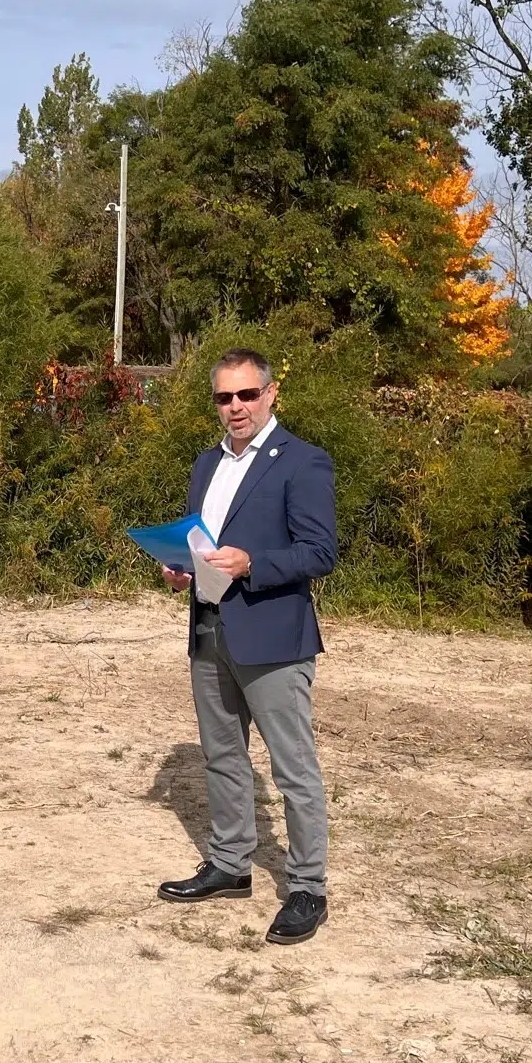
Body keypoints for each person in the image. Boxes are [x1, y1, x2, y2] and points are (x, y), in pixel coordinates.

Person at [157, 347, 338, 945]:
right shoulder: (205, 464)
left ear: (271, 393)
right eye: (224, 397)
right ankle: (231, 865)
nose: (235, 407)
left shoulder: (303, 462)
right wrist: (184, 569)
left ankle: (307, 887)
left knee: (293, 769)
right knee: (223, 756)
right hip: (209, 628)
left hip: (273, 636)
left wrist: (251, 563)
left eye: (246, 395)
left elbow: (320, 553)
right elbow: (199, 539)